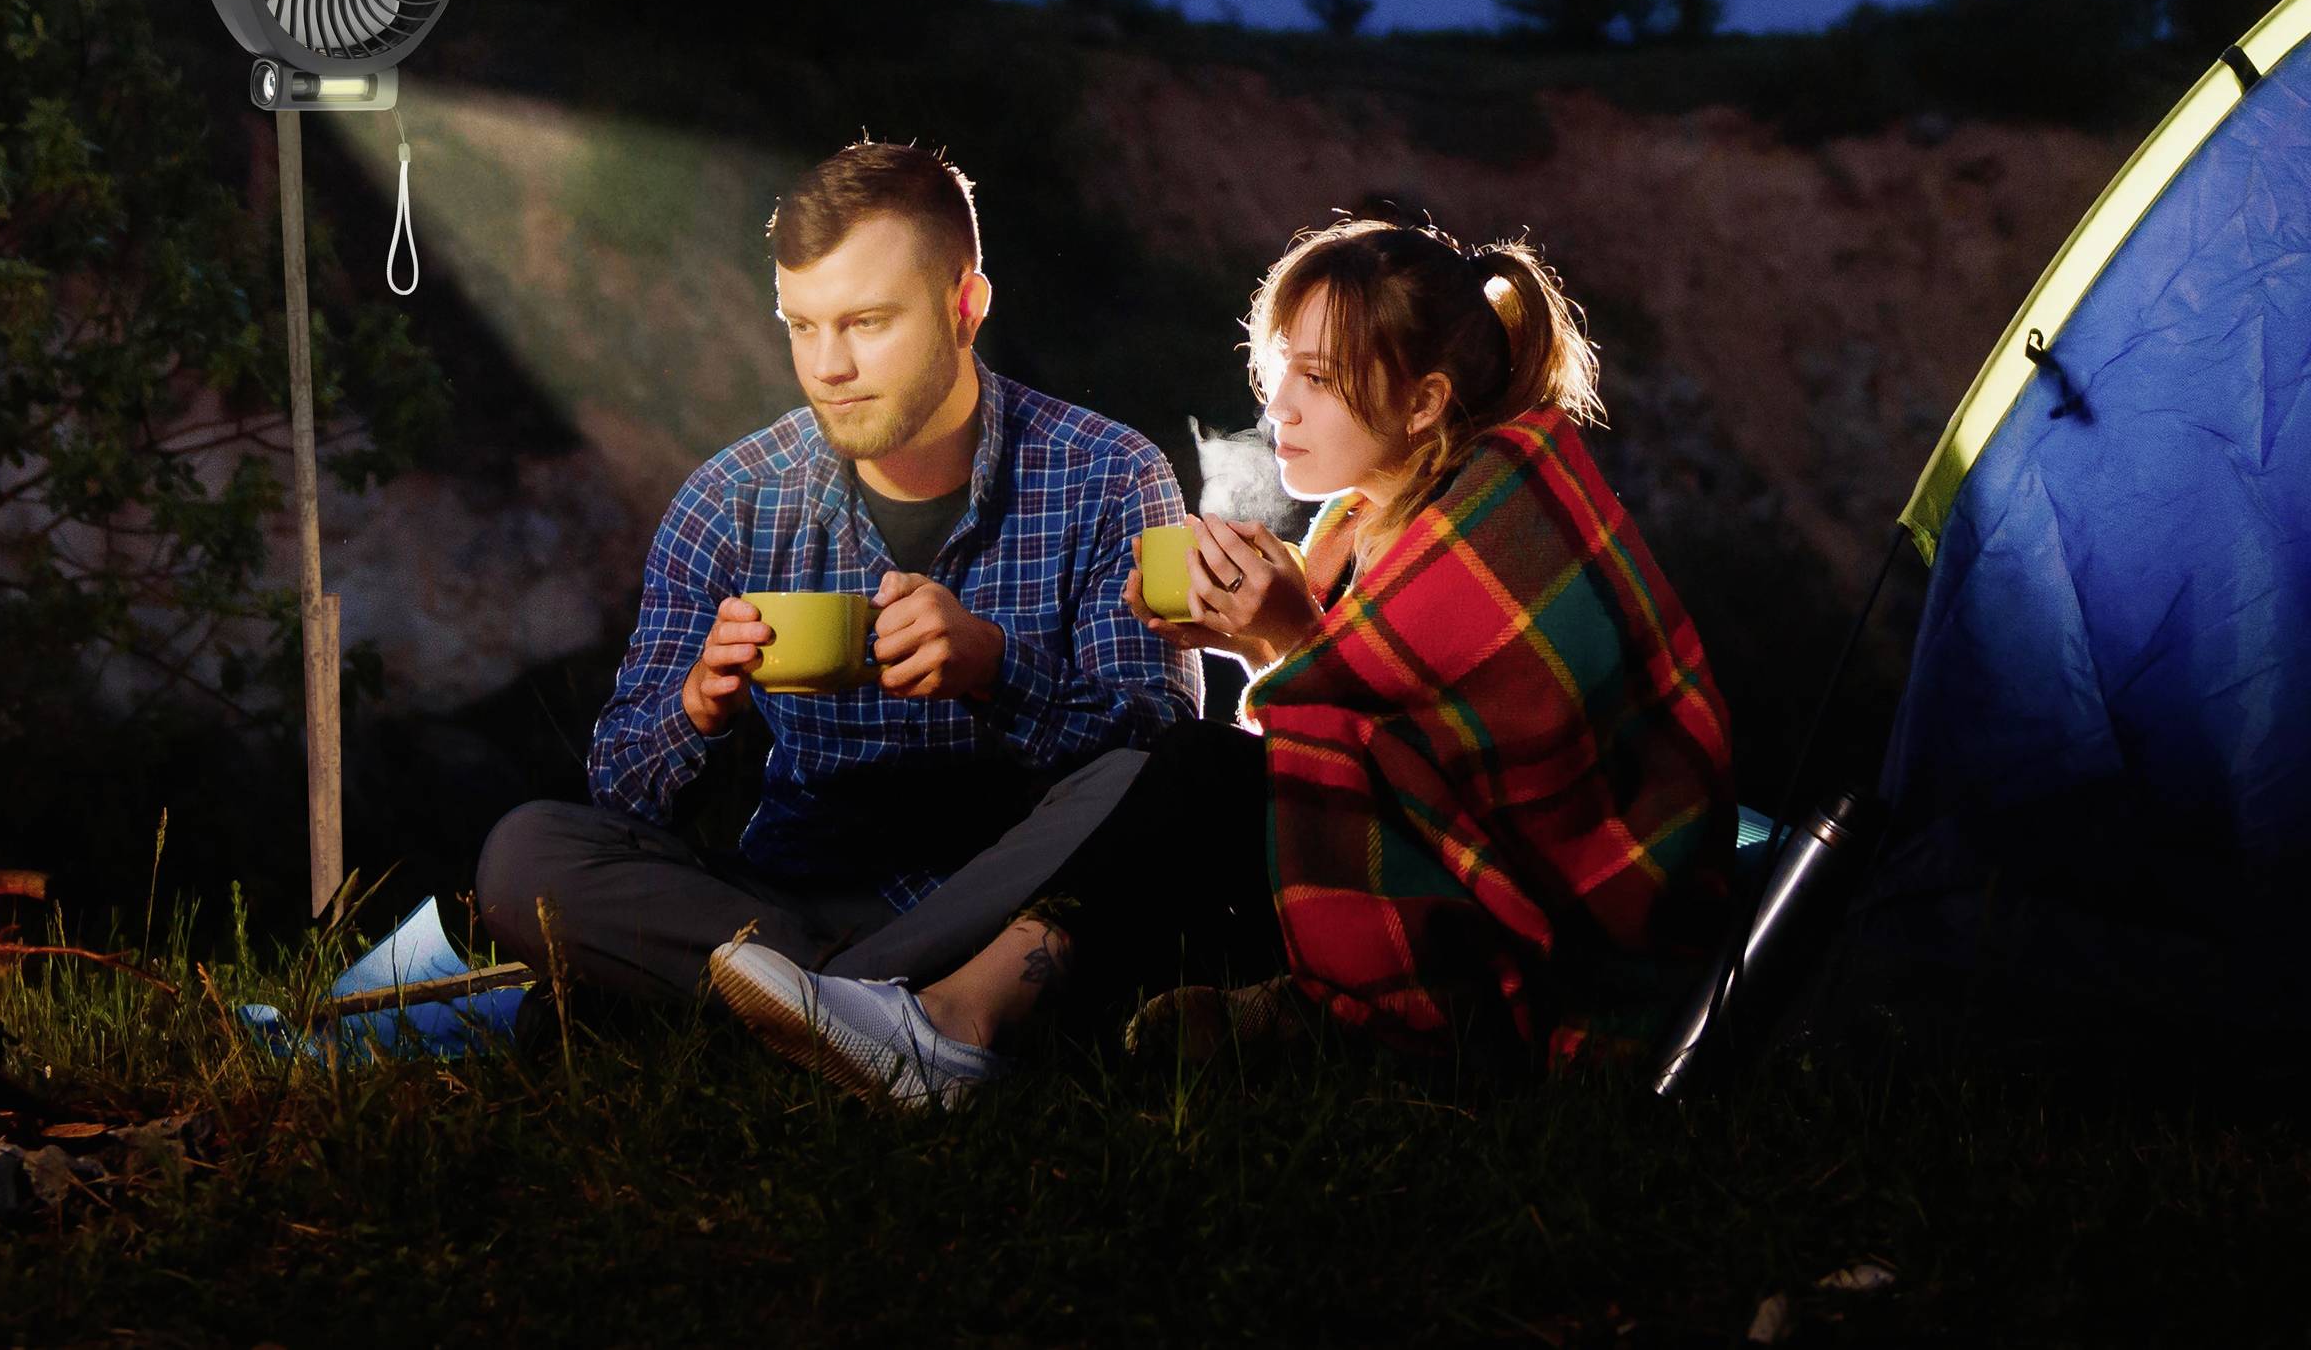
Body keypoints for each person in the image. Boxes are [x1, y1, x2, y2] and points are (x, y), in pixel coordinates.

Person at [710, 215, 1736, 1104]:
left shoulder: (1505, 511)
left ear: (1422, 402)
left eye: (1320, 380)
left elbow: (1489, 789)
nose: (1280, 406)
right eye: (1276, 366)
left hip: (1553, 941)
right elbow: (1359, 760)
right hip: (1443, 887)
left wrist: (1285, 645)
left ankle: (947, 1027)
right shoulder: (1360, 526)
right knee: (1195, 791)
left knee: (1199, 773)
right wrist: (1263, 648)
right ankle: (942, 1014)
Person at [476, 143, 1204, 1011]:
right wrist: (699, 705)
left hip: (1016, 904)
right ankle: (875, 1006)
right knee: (526, 854)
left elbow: (1162, 751)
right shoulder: (731, 498)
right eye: (802, 326)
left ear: (966, 307)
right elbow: (621, 784)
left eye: (866, 322)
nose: (828, 367)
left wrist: (995, 669)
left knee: (1174, 775)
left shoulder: (1110, 474)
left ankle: (795, 1003)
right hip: (791, 897)